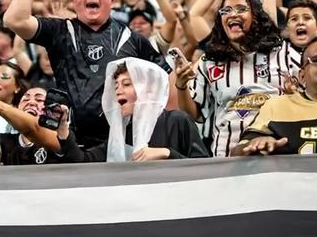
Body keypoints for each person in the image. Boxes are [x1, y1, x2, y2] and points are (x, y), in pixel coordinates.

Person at [4, 0, 168, 147]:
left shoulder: (132, 38)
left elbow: (164, 80)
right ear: (74, 0)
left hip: (122, 142)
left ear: (112, 0)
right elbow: (13, 19)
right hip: (69, 142)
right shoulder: (60, 30)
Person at [176, 0, 289, 157]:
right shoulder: (209, 61)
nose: (233, 14)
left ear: (256, 17)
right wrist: (181, 86)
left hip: (279, 152)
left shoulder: (282, 52)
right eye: (226, 10)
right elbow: (194, 113)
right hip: (225, 157)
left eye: (241, 9)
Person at [57, 58, 209, 162]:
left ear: (147, 89)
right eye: (116, 86)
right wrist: (63, 129)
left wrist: (166, 153)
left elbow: (205, 168)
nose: (118, 91)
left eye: (126, 84)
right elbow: (83, 161)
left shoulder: (177, 121)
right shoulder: (122, 133)